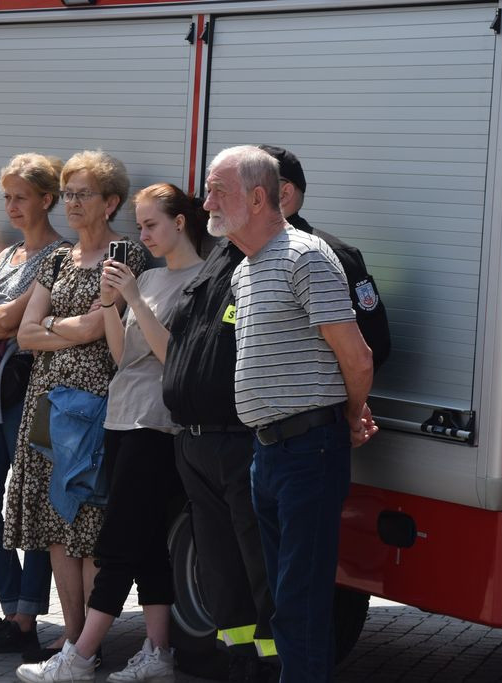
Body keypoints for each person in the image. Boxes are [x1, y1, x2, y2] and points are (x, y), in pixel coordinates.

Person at [16, 183, 205, 682]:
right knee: (144, 547)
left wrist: (134, 299)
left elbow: (175, 360)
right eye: (139, 226)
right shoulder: (158, 277)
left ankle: (79, 656)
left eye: (151, 225)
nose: (142, 236)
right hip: (122, 416)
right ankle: (159, 652)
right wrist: (110, 305)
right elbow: (123, 359)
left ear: (180, 223)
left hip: (156, 425)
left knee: (117, 542)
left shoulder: (200, 281)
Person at [203, 145, 377, 682]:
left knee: (299, 603)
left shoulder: (306, 256)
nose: (205, 200)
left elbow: (357, 355)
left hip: (309, 450)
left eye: (218, 190)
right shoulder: (246, 268)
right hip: (267, 453)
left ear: (258, 198)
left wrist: (349, 415)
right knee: (282, 600)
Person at [4, 149, 147, 663]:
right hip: (46, 404)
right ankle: (71, 638)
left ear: (111, 202)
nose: (71, 203)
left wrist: (54, 330)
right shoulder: (60, 258)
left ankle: (91, 645)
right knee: (55, 527)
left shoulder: (126, 257)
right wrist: (68, 330)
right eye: (67, 193)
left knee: (86, 526)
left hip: (93, 406)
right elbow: (24, 334)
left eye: (82, 194)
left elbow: (98, 329)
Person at [162, 228, 278, 679]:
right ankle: (241, 658)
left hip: (243, 438)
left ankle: (272, 663)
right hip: (195, 440)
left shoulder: (292, 254)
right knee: (220, 564)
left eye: (219, 191)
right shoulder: (222, 255)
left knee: (260, 562)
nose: (208, 201)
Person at [0, 153, 68, 654]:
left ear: (47, 200)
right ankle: (12, 607)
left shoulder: (59, 256)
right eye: (6, 197)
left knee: (32, 506)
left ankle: (27, 617)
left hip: (31, 392)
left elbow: (3, 323)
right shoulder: (7, 256)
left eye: (20, 197)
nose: (10, 207)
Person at [257, 145, 390, 370]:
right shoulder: (230, 250)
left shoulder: (334, 255)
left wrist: (330, 402)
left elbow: (372, 345)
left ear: (284, 194)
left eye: (250, 185)